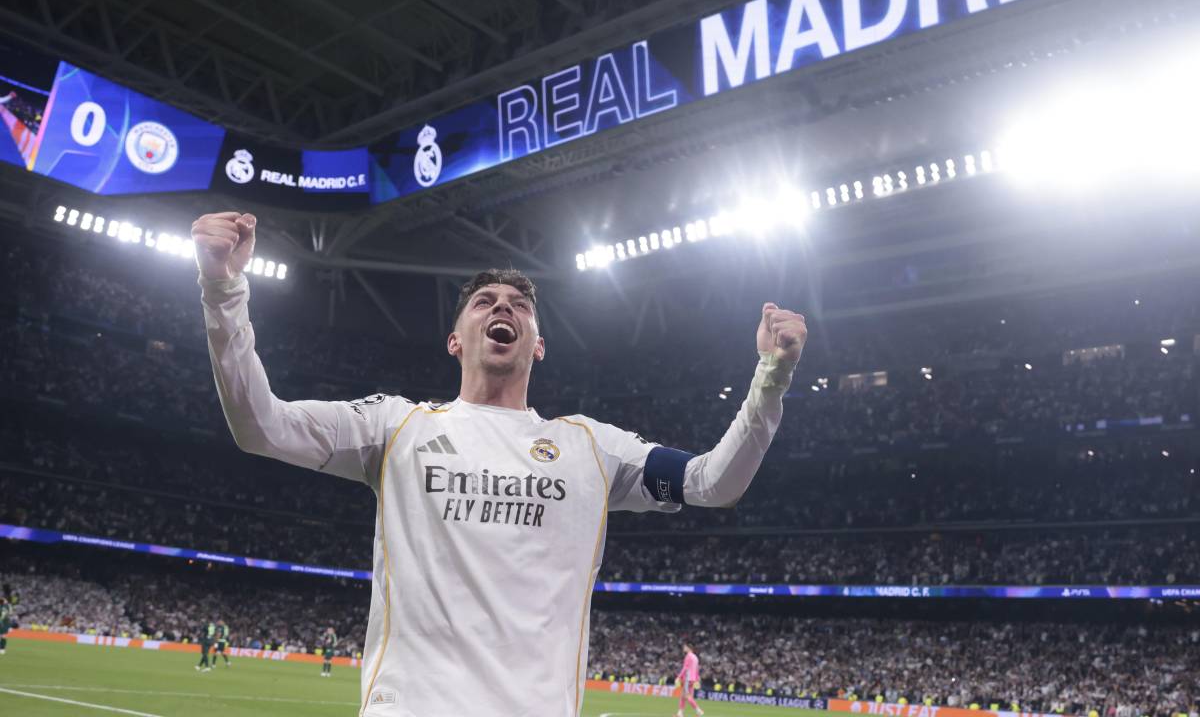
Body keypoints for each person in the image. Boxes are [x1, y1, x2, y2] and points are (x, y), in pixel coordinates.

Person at [192, 211, 806, 717]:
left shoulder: (592, 447)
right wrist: (223, 287)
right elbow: (261, 426)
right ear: (456, 339)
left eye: (519, 304)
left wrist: (771, 377)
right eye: (484, 301)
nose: (501, 308)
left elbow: (711, 483)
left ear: (537, 344)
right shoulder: (395, 426)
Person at [676, 643, 703, 717]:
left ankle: (698, 711)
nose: (684, 648)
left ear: (689, 648)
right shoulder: (695, 657)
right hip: (692, 679)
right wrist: (696, 679)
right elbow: (697, 669)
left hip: (687, 678)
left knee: (687, 696)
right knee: (683, 695)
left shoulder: (688, 656)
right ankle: (680, 713)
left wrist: (679, 677)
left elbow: (685, 668)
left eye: (685, 647)